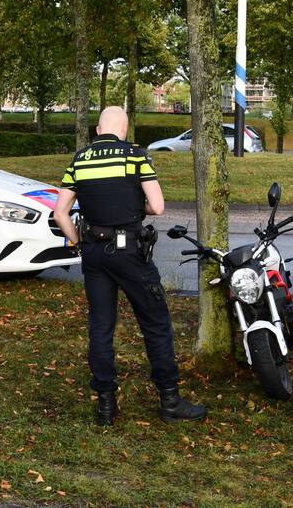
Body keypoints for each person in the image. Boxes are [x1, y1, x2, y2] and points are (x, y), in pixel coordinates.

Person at [52, 106, 206, 426]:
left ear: (98, 130)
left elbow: (60, 213)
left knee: (101, 328)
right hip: (130, 253)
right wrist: (136, 207)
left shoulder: (80, 160)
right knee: (156, 323)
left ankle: (106, 406)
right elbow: (158, 206)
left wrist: (78, 243)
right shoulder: (135, 156)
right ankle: (170, 400)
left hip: (93, 253)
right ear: (123, 129)